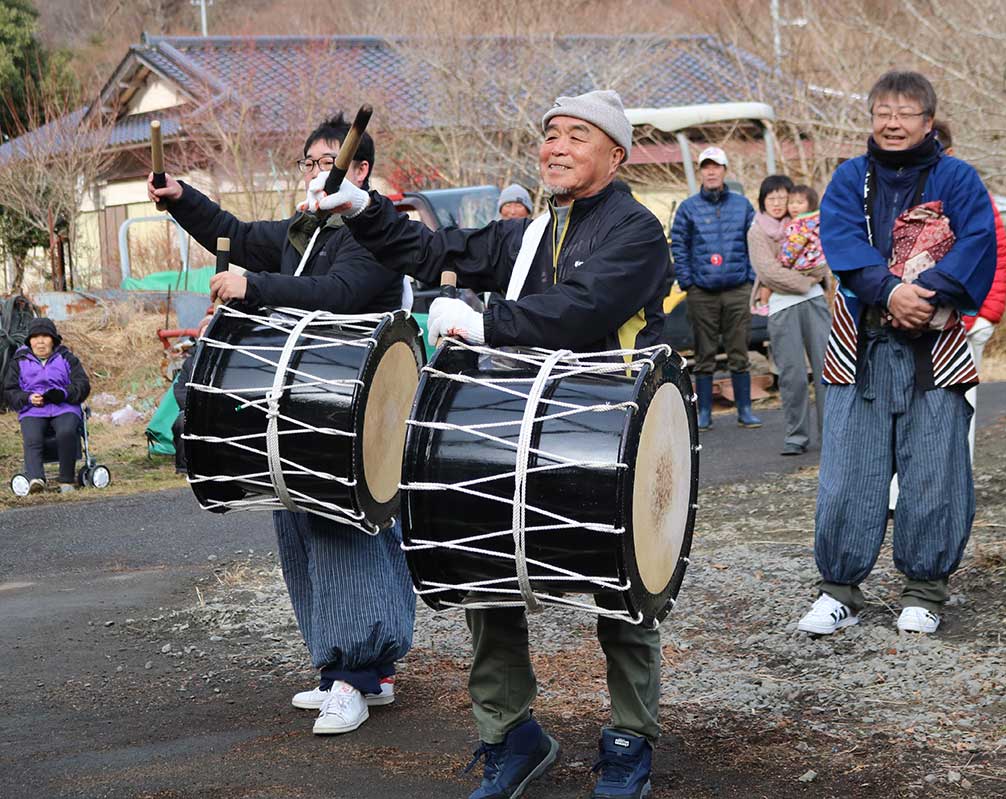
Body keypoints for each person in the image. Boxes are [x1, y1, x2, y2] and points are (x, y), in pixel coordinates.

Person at [305, 89, 669, 799]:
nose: (556, 146)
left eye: (577, 135)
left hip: (607, 435)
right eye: (551, 133)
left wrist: (486, 322)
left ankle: (630, 737)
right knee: (484, 569)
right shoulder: (526, 234)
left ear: (617, 155)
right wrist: (362, 208)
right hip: (513, 429)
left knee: (621, 588)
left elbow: (584, 307)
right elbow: (434, 249)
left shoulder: (637, 231)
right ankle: (510, 735)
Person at [147, 112, 416, 736]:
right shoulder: (305, 228)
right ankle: (354, 671)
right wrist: (181, 198)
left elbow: (341, 293)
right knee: (299, 527)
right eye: (309, 163)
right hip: (300, 404)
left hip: (354, 406)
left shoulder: (378, 233)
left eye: (327, 162)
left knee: (345, 530)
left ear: (360, 170)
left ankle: (354, 676)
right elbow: (236, 234)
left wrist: (255, 286)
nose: (315, 172)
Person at [796, 70, 997, 637]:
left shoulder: (957, 177)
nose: (892, 122)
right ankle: (838, 588)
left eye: (906, 113)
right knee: (849, 470)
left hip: (934, 343)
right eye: (883, 111)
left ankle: (925, 588)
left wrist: (923, 295)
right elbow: (841, 241)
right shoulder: (849, 177)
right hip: (860, 342)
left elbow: (978, 240)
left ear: (928, 122)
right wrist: (889, 292)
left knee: (935, 468)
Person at [933, 119, 1006, 463]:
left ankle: (958, 482)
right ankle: (902, 489)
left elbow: (998, 254)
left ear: (950, 152)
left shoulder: (972, 193)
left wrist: (986, 316)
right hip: (918, 320)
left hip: (968, 321)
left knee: (963, 407)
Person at [670, 145, 760, 431]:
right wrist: (688, 282)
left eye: (716, 166)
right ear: (701, 172)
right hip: (701, 291)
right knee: (704, 353)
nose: (711, 172)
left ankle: (745, 410)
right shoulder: (688, 208)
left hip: (737, 288)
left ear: (724, 170)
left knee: (739, 350)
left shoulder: (742, 205)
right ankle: (704, 412)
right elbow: (679, 245)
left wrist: (751, 278)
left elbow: (755, 241)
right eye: (706, 167)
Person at [750, 177, 831, 455]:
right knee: (792, 374)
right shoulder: (757, 231)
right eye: (770, 198)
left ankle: (831, 434)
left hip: (814, 302)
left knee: (826, 369)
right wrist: (804, 281)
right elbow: (767, 271)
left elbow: (821, 265)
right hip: (782, 307)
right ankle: (796, 435)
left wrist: (806, 279)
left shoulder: (808, 223)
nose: (777, 203)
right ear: (762, 201)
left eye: (782, 198)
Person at [3, 317, 90, 494]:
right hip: (33, 409)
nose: (40, 341)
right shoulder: (19, 360)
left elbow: (82, 384)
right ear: (30, 341)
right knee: (33, 437)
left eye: (45, 336)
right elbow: (10, 391)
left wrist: (63, 393)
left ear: (53, 340)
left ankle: (66, 480)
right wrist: (28, 397)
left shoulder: (66, 357)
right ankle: (36, 479)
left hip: (64, 406)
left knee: (66, 432)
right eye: (35, 337)